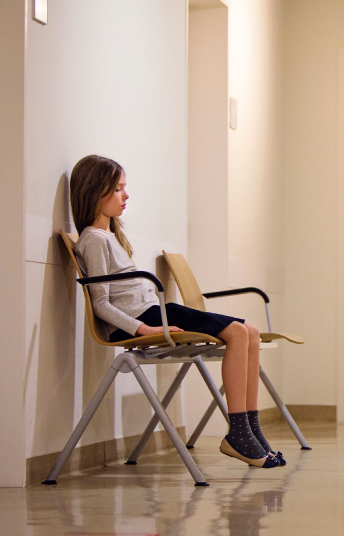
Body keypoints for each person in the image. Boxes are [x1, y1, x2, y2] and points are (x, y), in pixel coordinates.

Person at [70, 154, 282, 469]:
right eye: (117, 189)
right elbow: (101, 304)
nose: (125, 196)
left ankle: (250, 429)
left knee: (249, 331)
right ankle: (238, 434)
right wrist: (143, 330)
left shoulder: (110, 237)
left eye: (124, 188)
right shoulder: (94, 240)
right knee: (239, 332)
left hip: (155, 312)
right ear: (93, 192)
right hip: (146, 319)